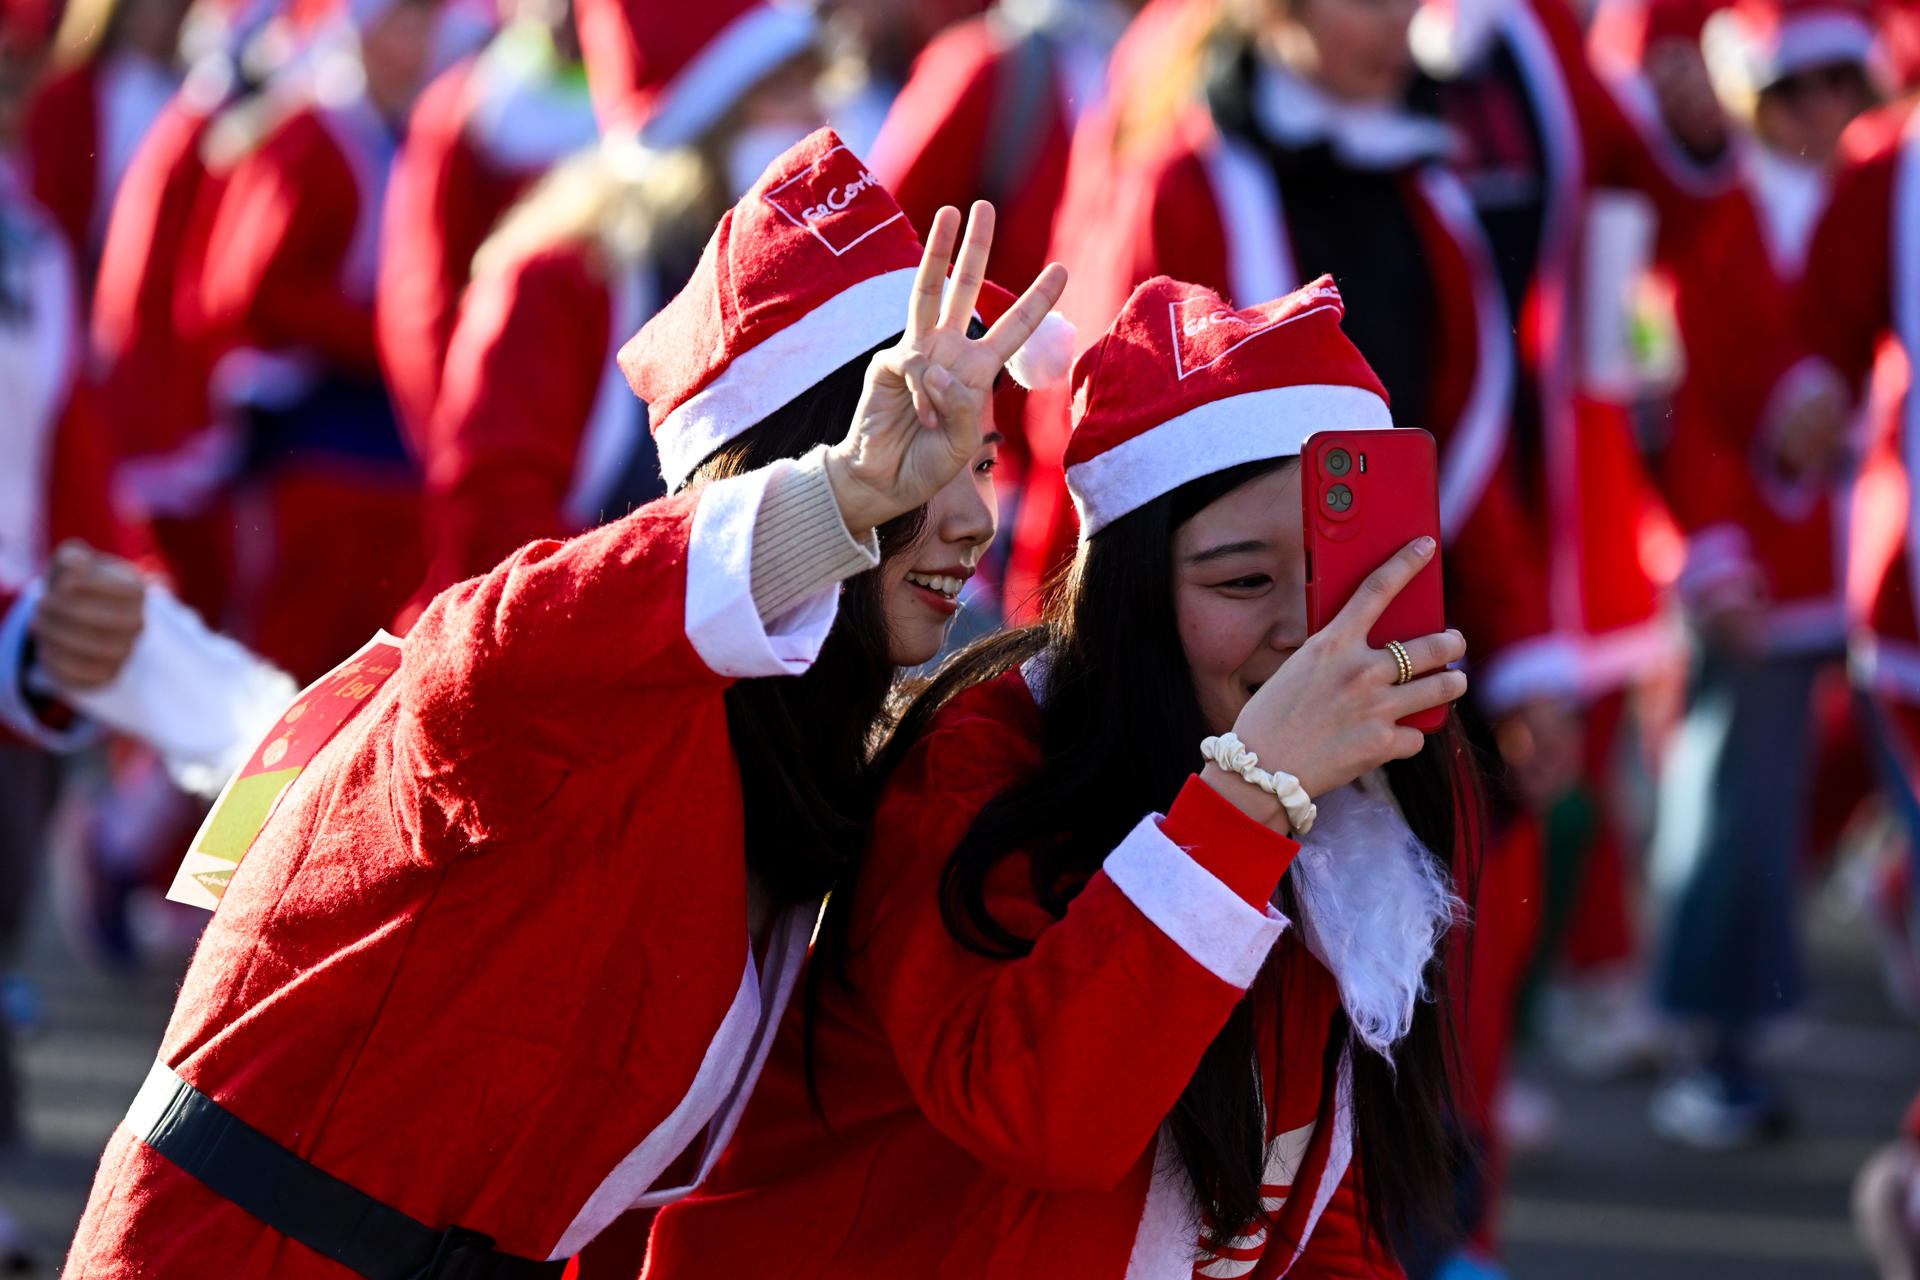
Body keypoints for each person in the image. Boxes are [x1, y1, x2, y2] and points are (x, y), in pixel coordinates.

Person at [61, 128, 1069, 1276]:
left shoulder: (802, 766)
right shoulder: (549, 678)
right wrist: (842, 497)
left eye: (984, 460)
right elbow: (495, 639)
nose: (972, 515)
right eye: (931, 457)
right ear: (788, 460)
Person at [642, 274, 1472, 1279]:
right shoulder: (980, 772)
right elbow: (1047, 1118)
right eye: (1243, 580)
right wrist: (1250, 797)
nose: (1305, 635)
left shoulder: (1351, 809)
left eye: (1335, 578)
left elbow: (1295, 1207)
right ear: (1127, 604)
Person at [1633, 0, 1878, 1148]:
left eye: (1841, 85)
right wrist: (1707, 542)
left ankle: (1765, 994)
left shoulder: (1871, 192)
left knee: (1802, 794)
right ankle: (1709, 1035)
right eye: (1796, 87)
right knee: (1732, 797)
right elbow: (1673, 390)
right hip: (1752, 560)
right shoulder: (1713, 203)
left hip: (1865, 555)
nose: (1823, 110)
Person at [409, 0, 825, 608]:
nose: (817, 120)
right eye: (784, 94)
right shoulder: (565, 277)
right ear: (707, 118)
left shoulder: (793, 271)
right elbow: (492, 533)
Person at [373, 0, 596, 448]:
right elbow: (420, 289)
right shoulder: (468, 107)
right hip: (497, 415)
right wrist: (451, 437)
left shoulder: (657, 106)